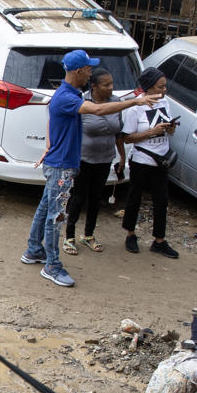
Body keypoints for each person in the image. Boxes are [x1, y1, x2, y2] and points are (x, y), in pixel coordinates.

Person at [24, 49, 149, 288]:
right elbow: (98, 109)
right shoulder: (67, 97)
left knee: (45, 208)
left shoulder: (69, 93)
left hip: (59, 162)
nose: (91, 74)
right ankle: (52, 265)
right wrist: (136, 101)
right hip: (61, 166)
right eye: (89, 69)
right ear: (79, 71)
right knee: (55, 216)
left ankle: (33, 250)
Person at [119, 66, 182, 259]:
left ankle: (159, 240)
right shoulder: (136, 108)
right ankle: (130, 234)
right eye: (160, 87)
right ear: (149, 87)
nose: (164, 91)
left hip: (161, 160)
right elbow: (126, 138)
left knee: (161, 200)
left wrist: (170, 128)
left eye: (165, 87)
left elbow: (169, 129)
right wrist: (150, 133)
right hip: (142, 159)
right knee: (135, 198)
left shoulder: (165, 102)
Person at [65, 67, 126, 254]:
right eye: (106, 84)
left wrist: (122, 157)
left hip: (104, 159)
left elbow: (118, 134)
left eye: (112, 84)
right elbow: (71, 132)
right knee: (77, 198)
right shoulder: (82, 102)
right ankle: (69, 236)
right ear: (94, 86)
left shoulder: (116, 102)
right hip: (83, 159)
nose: (111, 88)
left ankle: (88, 235)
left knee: (96, 198)